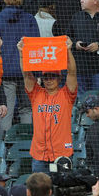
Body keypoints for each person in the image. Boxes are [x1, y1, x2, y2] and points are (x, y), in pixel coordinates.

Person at [17, 37, 77, 173]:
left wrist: (68, 51)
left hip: (61, 153)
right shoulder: (36, 94)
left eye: (52, 76)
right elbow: (26, 75)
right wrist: (22, 54)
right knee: (39, 191)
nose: (49, 80)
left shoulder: (66, 94)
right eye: (46, 77)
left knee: (61, 190)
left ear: (59, 78)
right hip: (40, 155)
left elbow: (72, 73)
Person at [0, 0, 39, 135]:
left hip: (5, 74)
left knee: (6, 110)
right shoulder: (30, 19)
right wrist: (37, 74)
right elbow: (35, 49)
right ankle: (27, 143)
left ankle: (4, 147)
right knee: (27, 110)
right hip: (27, 73)